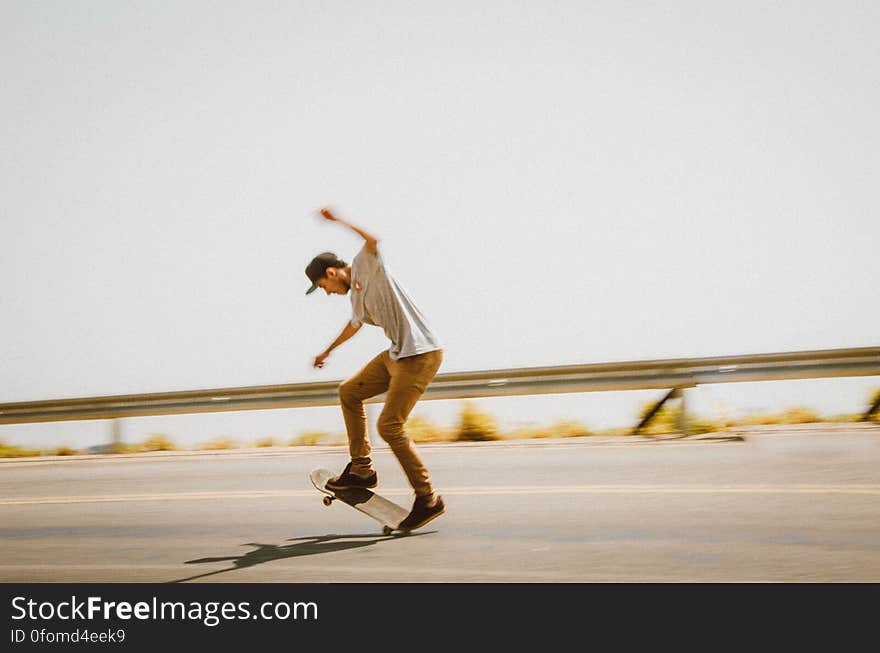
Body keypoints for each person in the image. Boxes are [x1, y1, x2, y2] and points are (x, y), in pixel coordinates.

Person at [305, 207, 445, 531]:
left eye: (322, 286)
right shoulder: (354, 298)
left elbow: (373, 239)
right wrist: (327, 350)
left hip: (420, 354)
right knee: (348, 392)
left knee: (390, 426)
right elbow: (354, 325)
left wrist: (337, 220)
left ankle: (428, 499)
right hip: (397, 355)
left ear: (330, 273)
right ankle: (361, 470)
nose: (326, 293)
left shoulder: (365, 265)